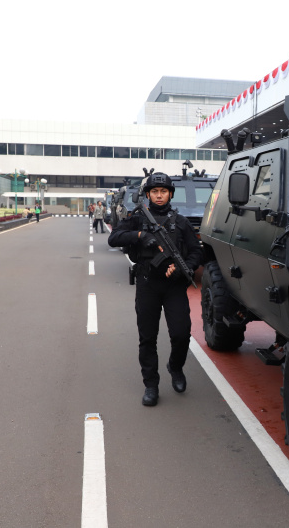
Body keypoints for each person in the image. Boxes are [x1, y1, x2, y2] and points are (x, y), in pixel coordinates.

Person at [108, 172, 202, 407]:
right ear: (148, 194)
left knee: (181, 334)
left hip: (174, 286)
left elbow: (197, 252)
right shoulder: (138, 218)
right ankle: (151, 385)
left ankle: (176, 367)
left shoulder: (180, 222)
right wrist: (140, 235)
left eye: (163, 192)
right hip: (147, 284)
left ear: (170, 194)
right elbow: (114, 238)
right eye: (155, 192)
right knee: (147, 338)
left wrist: (183, 268)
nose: (159, 196)